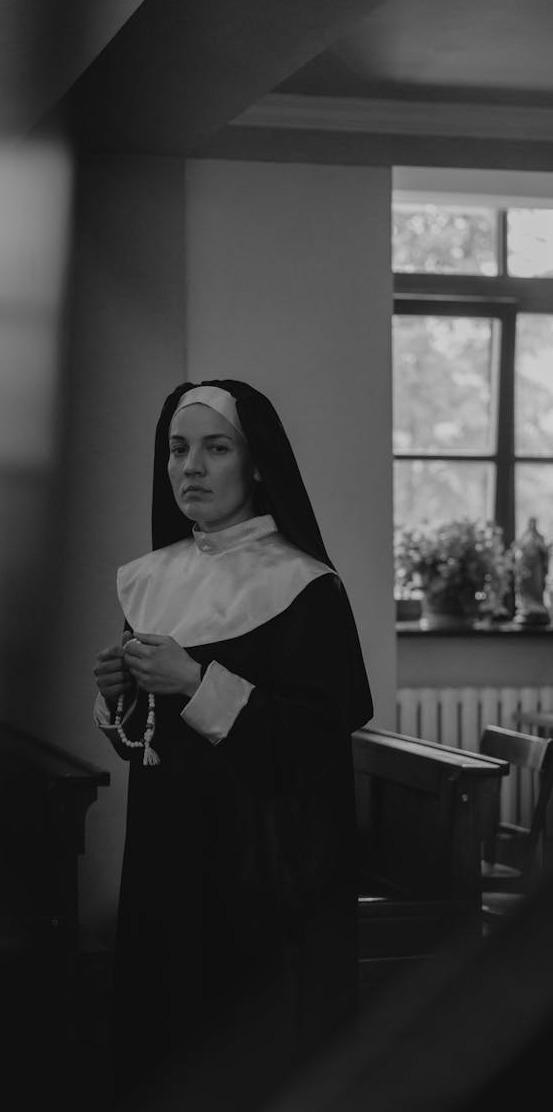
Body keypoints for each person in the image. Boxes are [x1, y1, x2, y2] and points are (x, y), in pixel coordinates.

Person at [93, 380, 373, 1110]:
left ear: (256, 466)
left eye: (216, 449)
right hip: (168, 860)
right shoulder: (152, 580)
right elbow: (146, 748)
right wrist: (124, 696)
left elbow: (311, 745)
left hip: (267, 875)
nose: (191, 467)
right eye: (177, 449)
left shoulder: (304, 586)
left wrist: (191, 680)